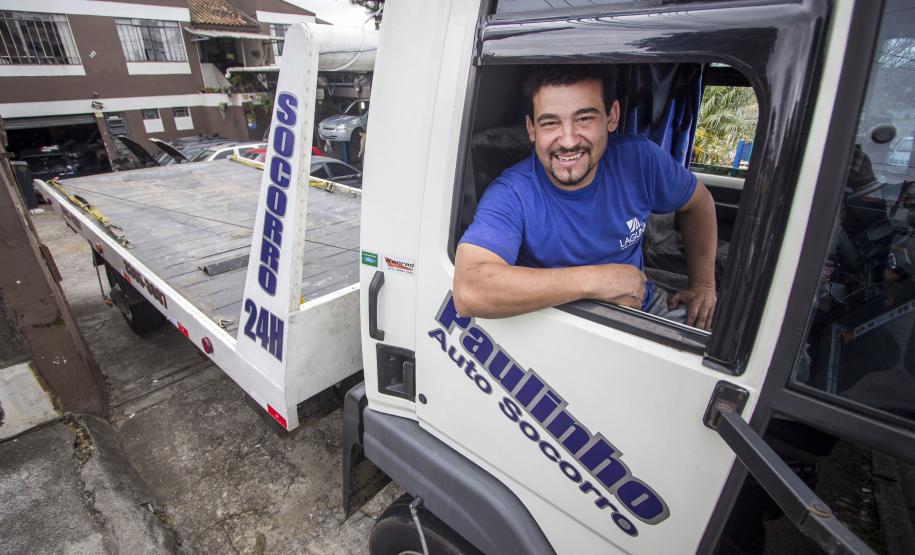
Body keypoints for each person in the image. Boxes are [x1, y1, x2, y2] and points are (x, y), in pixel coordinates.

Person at [453, 65, 718, 330]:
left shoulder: (640, 160)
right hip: (559, 322)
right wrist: (597, 281)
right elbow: (469, 290)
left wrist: (703, 285)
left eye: (584, 119)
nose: (568, 141)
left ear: (611, 117)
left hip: (641, 307)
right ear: (532, 129)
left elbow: (699, 202)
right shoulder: (511, 193)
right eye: (550, 123)